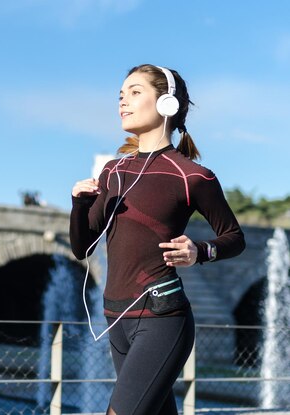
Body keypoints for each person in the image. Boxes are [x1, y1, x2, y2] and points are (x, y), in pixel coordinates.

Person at [69, 64, 245, 415]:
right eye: (121, 95)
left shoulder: (191, 175)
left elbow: (234, 237)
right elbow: (81, 248)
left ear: (167, 102)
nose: (123, 101)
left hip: (162, 319)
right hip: (114, 318)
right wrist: (78, 205)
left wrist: (200, 250)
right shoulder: (113, 171)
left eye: (135, 92)